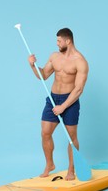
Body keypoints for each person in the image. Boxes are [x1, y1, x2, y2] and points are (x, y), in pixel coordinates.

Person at [27, 28, 89, 181]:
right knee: (45, 132)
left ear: (68, 41)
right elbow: (43, 76)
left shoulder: (80, 61)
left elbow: (79, 89)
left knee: (72, 137)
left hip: (70, 100)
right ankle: (50, 164)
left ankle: (71, 169)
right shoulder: (54, 57)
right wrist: (33, 66)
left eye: (59, 41)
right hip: (53, 98)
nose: (57, 44)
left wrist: (64, 106)